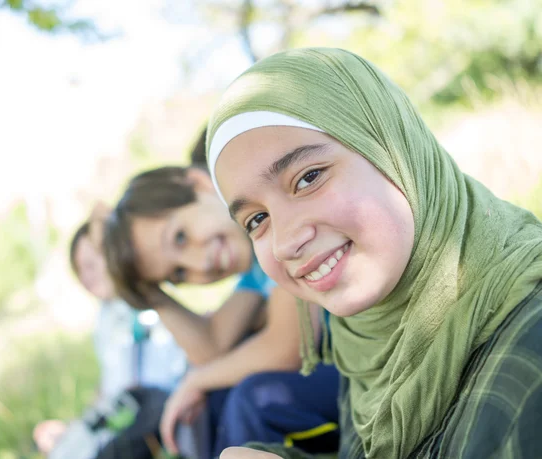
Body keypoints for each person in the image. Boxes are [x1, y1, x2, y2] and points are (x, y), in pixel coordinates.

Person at [206, 47, 542, 459]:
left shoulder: (530, 346)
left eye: (308, 178)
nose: (284, 242)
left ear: (393, 147)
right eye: (257, 220)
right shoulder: (366, 335)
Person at [100, 166, 340, 458]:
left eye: (179, 237)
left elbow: (288, 347)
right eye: (178, 273)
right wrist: (149, 293)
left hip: (371, 376)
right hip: (335, 380)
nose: (200, 265)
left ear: (200, 184)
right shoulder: (253, 269)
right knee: (217, 398)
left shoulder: (274, 223)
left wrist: (195, 381)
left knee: (252, 400)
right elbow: (212, 347)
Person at [33, 222, 185, 459]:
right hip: (124, 410)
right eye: (79, 271)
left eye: (91, 265)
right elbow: (110, 385)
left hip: (162, 403)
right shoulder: (105, 318)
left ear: (113, 255)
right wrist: (77, 426)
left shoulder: (147, 299)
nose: (86, 278)